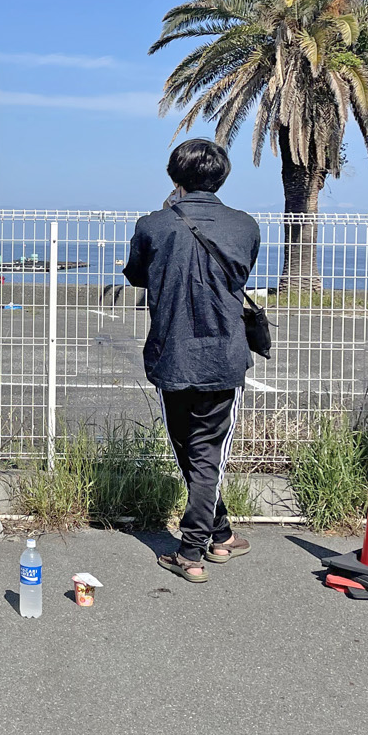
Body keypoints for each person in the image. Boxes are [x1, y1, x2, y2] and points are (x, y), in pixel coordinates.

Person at [125, 139, 261, 583]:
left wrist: (167, 210)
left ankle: (191, 551)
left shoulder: (153, 225)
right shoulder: (244, 225)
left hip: (172, 355)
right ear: (222, 176)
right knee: (203, 453)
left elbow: (137, 274)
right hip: (223, 356)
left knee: (192, 450)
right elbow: (241, 273)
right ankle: (220, 535)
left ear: (174, 176)